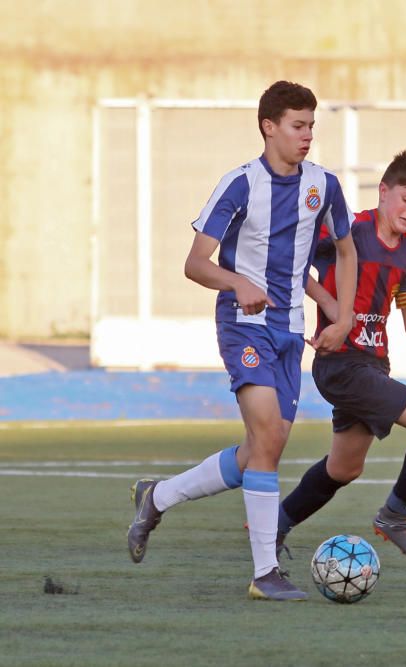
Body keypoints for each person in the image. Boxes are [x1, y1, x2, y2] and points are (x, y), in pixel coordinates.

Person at [126, 81, 358, 601]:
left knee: (260, 447)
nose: (307, 136)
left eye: (312, 126)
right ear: (269, 127)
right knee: (270, 445)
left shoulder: (324, 185)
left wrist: (338, 313)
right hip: (242, 326)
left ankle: (156, 497)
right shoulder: (239, 184)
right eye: (298, 126)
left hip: (291, 332)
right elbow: (195, 263)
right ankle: (264, 573)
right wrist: (237, 283)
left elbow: (344, 250)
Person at [276, 149, 406, 566]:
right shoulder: (350, 230)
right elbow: (290, 264)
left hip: (373, 365)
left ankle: (275, 523)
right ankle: (396, 514)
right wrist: (335, 311)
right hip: (341, 363)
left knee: (344, 468)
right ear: (384, 191)